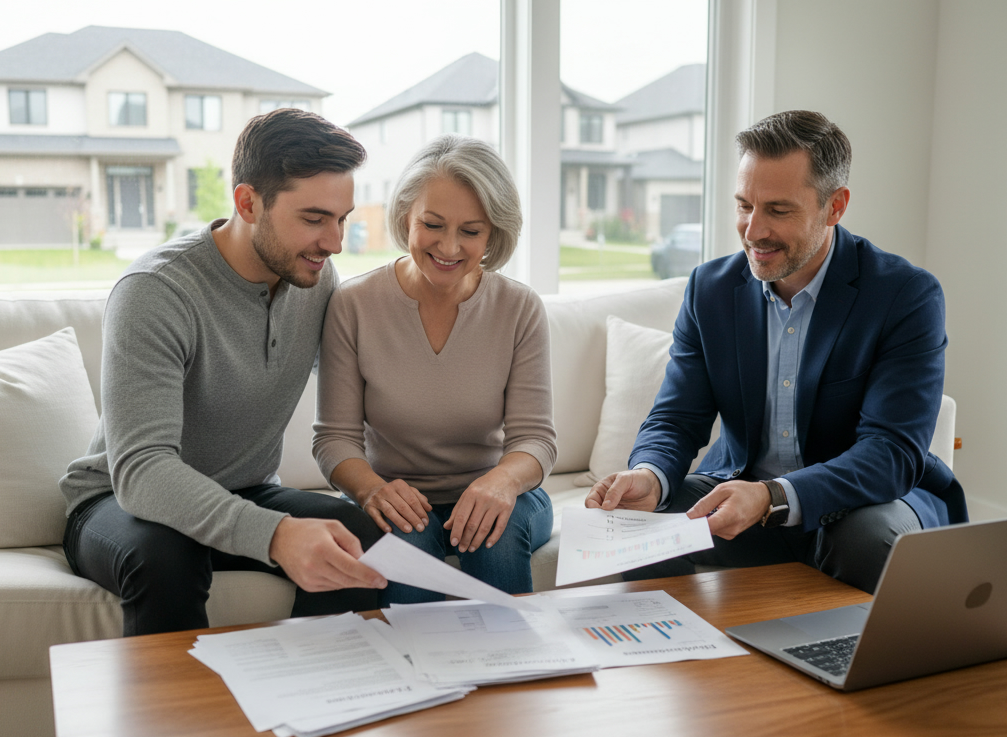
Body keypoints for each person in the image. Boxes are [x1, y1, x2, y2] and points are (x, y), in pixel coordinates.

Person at [585, 110, 966, 594]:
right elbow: (676, 418)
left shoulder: (904, 295)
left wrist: (772, 498)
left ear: (835, 206)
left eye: (778, 211)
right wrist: (650, 475)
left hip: (865, 503)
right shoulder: (711, 289)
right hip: (741, 490)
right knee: (640, 519)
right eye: (744, 205)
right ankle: (682, 655)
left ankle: (848, 663)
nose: (753, 230)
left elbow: (891, 452)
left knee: (868, 539)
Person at [60, 109, 388, 637]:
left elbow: (375, 390)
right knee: (166, 555)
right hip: (119, 501)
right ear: (247, 203)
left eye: (342, 218)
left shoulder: (316, 279)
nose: (334, 243)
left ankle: (309, 697)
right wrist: (277, 534)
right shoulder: (156, 291)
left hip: (246, 489)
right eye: (314, 218)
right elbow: (143, 471)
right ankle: (178, 721)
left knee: (358, 533)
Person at [313, 135, 556, 605]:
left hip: (502, 491)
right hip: (394, 494)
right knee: (406, 547)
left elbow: (536, 441)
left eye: (471, 231)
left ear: (493, 235)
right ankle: (427, 677)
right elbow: (333, 439)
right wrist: (371, 491)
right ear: (406, 215)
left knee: (495, 535)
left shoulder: (519, 308)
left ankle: (514, 673)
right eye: (433, 224)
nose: (449, 246)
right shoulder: (353, 305)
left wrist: (501, 482)